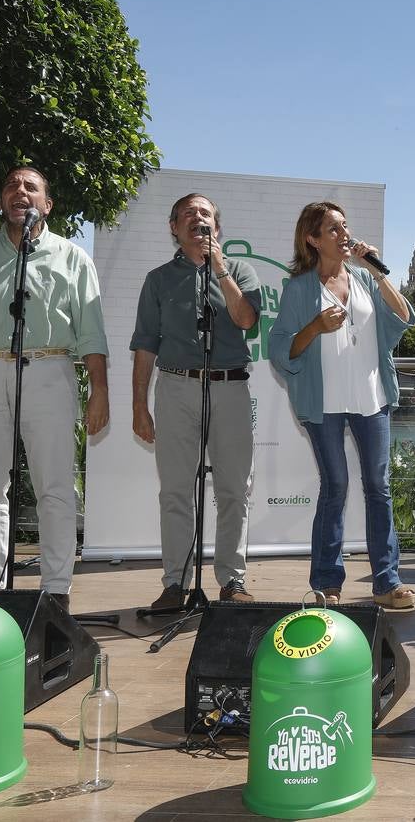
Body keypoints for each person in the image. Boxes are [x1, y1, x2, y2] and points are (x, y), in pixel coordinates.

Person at [0, 166, 109, 607]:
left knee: (54, 486)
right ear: (2, 201)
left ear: (46, 205)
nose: (21, 191)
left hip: (50, 371)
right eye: (12, 185)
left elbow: (92, 335)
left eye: (31, 187)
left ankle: (55, 592)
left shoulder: (73, 257)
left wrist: (100, 393)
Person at [270, 201, 415, 608]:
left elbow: (403, 317)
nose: (343, 234)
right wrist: (315, 326)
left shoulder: (365, 280)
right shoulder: (298, 289)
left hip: (372, 399)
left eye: (344, 226)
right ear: (313, 239)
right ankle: (326, 584)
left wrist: (376, 270)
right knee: (335, 487)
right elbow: (281, 349)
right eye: (333, 228)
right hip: (325, 404)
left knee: (379, 489)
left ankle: (387, 582)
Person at [130, 193, 260, 609]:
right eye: (188, 214)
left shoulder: (240, 270)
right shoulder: (158, 279)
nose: (197, 219)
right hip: (176, 387)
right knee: (175, 490)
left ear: (217, 228)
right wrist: (138, 405)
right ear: (174, 227)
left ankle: (232, 581)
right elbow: (146, 345)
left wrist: (219, 268)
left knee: (234, 489)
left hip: (230, 386)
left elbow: (245, 320)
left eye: (205, 214)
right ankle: (175, 583)